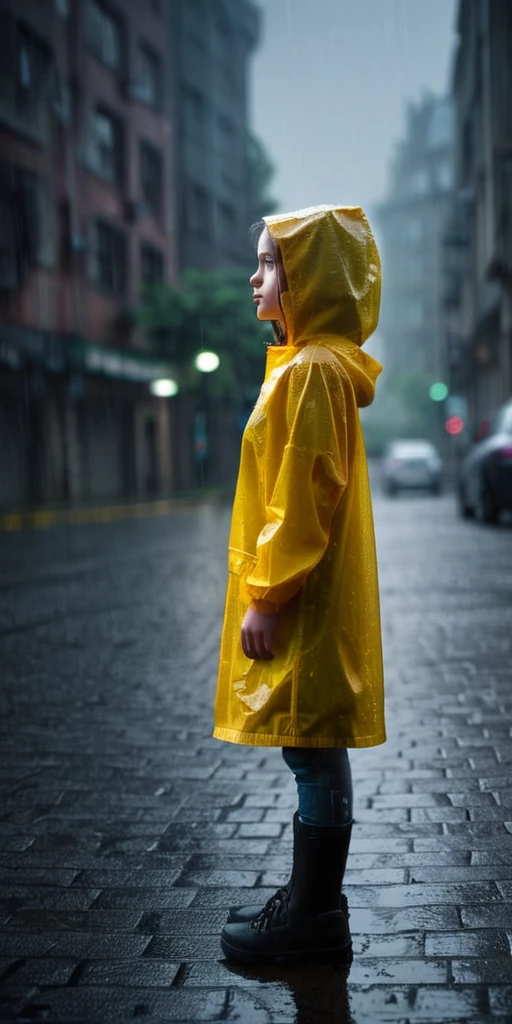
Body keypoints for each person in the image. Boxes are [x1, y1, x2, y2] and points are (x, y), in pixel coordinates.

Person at [213, 204, 386, 964]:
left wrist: (268, 594)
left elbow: (304, 492)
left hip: (303, 595)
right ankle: (315, 906)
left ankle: (314, 917)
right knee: (309, 747)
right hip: (307, 592)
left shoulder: (314, 370)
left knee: (312, 748)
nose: (256, 277)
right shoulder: (307, 365)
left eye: (272, 263)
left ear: (311, 278)